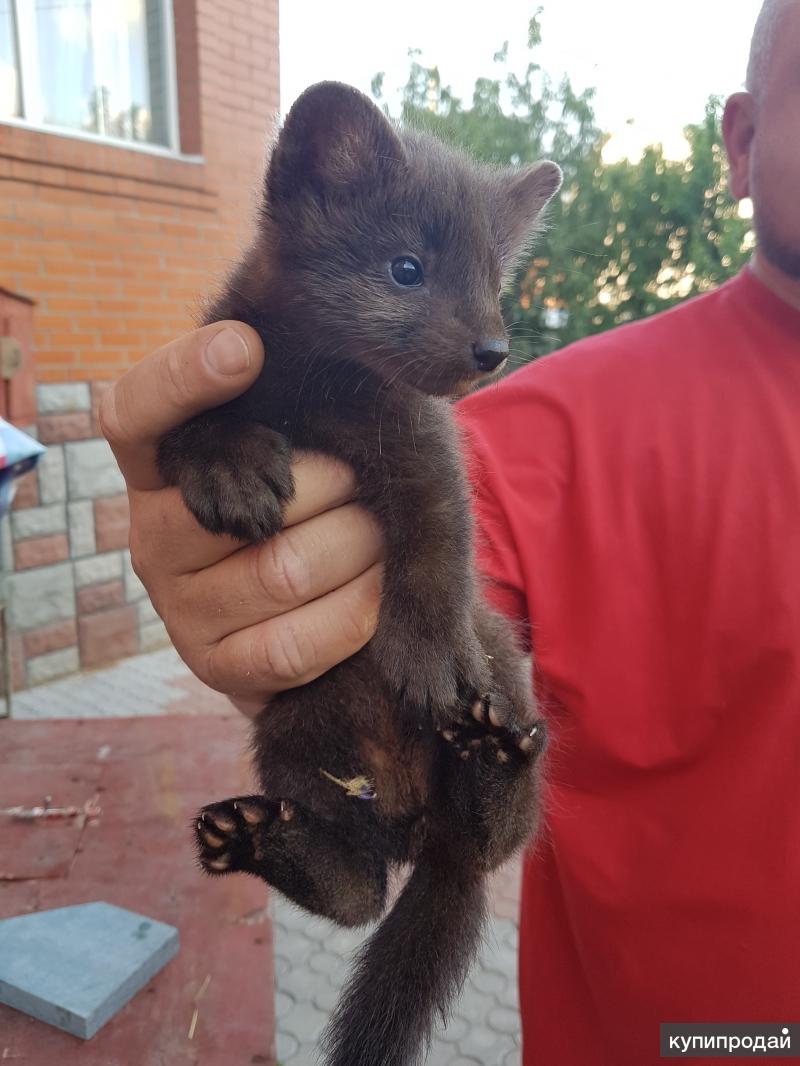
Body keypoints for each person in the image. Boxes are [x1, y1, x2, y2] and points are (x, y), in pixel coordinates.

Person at [102, 2, 800, 1063]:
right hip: (652, 1037)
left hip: (513, 858)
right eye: (409, 276)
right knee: (421, 685)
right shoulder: (529, 432)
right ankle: (344, 865)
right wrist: (226, 545)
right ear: (742, 143)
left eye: (489, 289)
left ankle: (447, 819)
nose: (483, 339)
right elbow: (422, 537)